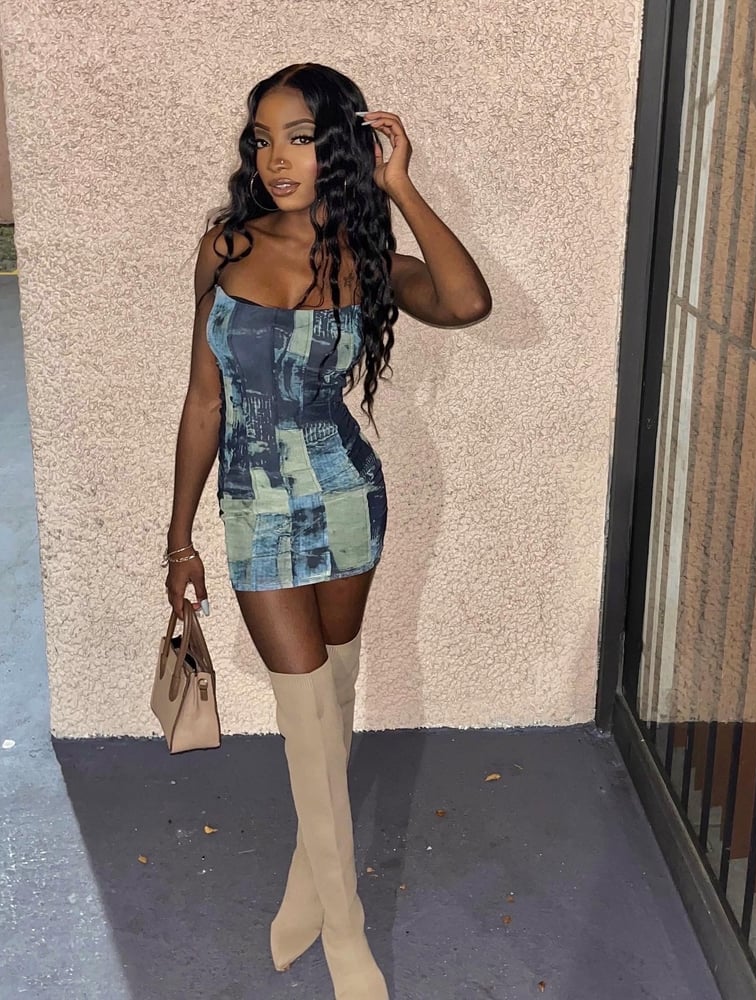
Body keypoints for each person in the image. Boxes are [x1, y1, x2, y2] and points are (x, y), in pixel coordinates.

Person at [164, 62, 491, 999]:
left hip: (347, 495)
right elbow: (203, 401)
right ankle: (347, 937)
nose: (276, 159)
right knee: (303, 711)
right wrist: (178, 540)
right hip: (254, 507)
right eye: (263, 139)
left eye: (300, 138)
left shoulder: (364, 258)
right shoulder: (225, 246)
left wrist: (402, 187)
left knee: (333, 699)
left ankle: (309, 888)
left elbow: (467, 303)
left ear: (339, 146)